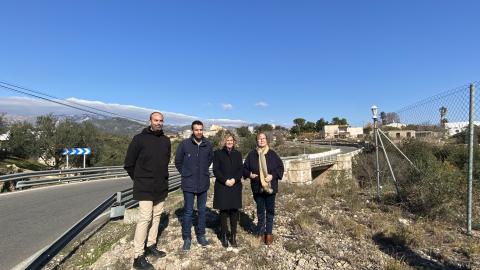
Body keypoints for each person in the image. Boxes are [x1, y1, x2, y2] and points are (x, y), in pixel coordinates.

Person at [124, 112, 171, 270]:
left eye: (161, 121)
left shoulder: (166, 141)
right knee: (145, 217)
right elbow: (129, 164)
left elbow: (164, 162)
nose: (158, 123)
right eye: (155, 120)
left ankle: (151, 245)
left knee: (156, 217)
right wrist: (139, 180)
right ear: (150, 121)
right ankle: (138, 256)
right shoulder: (139, 139)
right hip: (144, 187)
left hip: (160, 187)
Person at [175, 120, 213, 251]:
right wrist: (185, 173)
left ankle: (201, 235)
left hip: (203, 183)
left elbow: (209, 160)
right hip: (188, 183)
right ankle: (187, 238)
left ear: (203, 130)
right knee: (188, 212)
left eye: (201, 129)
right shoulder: (185, 144)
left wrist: (202, 171)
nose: (199, 132)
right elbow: (178, 161)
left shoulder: (208, 144)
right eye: (196, 130)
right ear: (192, 130)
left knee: (202, 211)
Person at [243, 132, 284, 245]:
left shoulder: (272, 154)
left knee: (270, 212)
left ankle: (269, 234)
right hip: (257, 188)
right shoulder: (251, 155)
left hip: (270, 188)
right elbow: (245, 169)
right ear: (256, 141)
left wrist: (273, 176)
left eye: (263, 138)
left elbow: (280, 168)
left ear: (266, 140)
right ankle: (261, 233)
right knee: (261, 212)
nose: (261, 140)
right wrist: (250, 174)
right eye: (259, 139)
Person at [212, 132, 243, 248]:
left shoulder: (238, 154)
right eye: (227, 140)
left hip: (235, 185)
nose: (229, 142)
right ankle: (224, 235)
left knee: (234, 211)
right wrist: (225, 181)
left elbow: (241, 169)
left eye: (231, 140)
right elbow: (216, 170)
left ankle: (233, 236)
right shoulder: (218, 153)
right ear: (223, 141)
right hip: (222, 185)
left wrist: (234, 179)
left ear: (234, 141)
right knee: (224, 212)